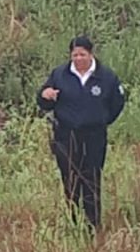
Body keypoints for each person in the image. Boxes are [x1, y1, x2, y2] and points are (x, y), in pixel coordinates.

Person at [37, 36, 125, 229]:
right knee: (70, 179)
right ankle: (74, 223)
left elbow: (117, 103)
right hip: (66, 136)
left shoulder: (106, 77)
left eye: (82, 54)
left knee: (92, 179)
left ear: (91, 54)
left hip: (94, 137)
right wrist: (45, 95)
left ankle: (93, 225)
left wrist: (101, 120)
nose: (78, 59)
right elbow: (43, 99)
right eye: (74, 55)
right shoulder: (60, 74)